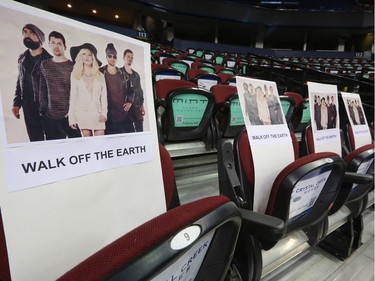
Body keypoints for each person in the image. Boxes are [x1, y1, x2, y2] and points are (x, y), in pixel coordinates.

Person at [12, 24, 52, 141]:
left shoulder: (50, 61)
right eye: (25, 32)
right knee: (35, 140)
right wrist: (16, 103)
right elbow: (20, 80)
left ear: (40, 38)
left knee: (52, 140)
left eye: (32, 33)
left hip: (47, 109)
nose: (27, 35)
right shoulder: (22, 58)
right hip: (28, 107)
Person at [39, 31, 81, 140]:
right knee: (55, 150)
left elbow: (77, 92)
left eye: (59, 43)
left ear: (65, 46)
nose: (56, 46)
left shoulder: (72, 66)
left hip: (69, 116)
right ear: (49, 44)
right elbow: (43, 89)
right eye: (53, 43)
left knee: (77, 148)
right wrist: (42, 113)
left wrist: (73, 113)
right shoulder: (44, 65)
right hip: (50, 117)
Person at [68, 43, 107, 137]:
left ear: (93, 57)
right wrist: (72, 118)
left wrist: (104, 113)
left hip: (98, 115)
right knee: (89, 145)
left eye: (90, 54)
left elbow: (104, 96)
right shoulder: (75, 75)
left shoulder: (100, 75)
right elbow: (73, 97)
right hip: (82, 114)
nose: (87, 57)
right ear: (80, 57)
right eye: (84, 54)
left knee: (100, 144)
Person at [99, 43, 134, 134]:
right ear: (106, 57)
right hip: (108, 117)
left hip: (123, 115)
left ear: (117, 58)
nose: (112, 58)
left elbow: (131, 89)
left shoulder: (123, 74)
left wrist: (129, 101)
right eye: (110, 56)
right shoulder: (100, 72)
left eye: (114, 56)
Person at [120, 49, 144, 132]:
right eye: (128, 56)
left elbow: (140, 91)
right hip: (127, 109)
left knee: (140, 131)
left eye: (132, 58)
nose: (130, 59)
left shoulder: (136, 74)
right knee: (129, 131)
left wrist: (142, 107)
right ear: (123, 57)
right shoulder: (120, 72)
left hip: (137, 107)